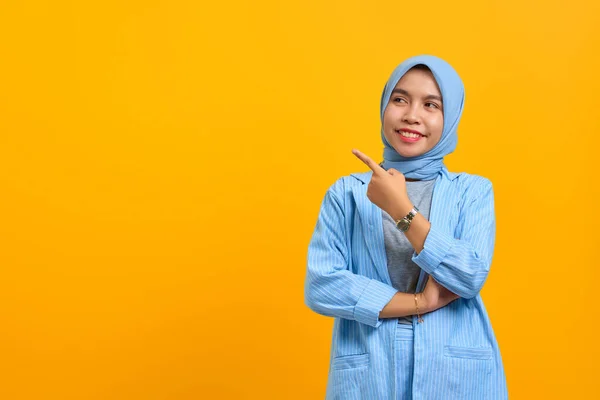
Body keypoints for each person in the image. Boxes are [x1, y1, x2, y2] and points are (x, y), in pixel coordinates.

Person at [304, 54, 508, 399]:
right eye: (400, 99)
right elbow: (322, 285)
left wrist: (400, 208)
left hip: (456, 372)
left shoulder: (472, 191)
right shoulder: (346, 193)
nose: (412, 115)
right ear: (384, 105)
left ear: (451, 117)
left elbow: (469, 274)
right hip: (370, 374)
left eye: (431, 105)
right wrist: (419, 303)